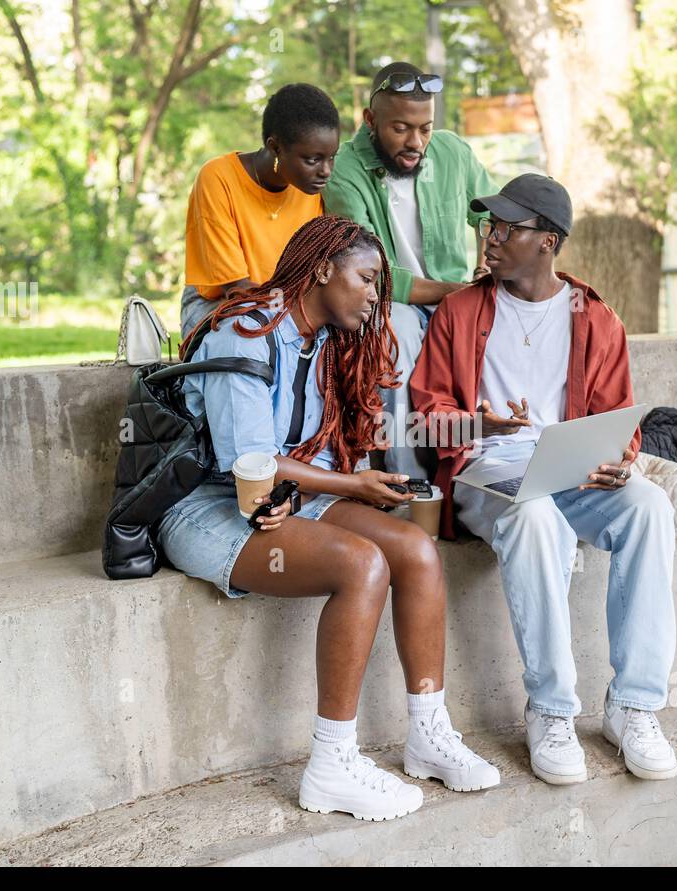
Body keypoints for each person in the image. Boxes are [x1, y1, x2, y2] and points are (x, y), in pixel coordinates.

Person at [161, 216, 500, 821]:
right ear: (321, 270)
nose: (376, 295)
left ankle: (428, 731)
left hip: (283, 499)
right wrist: (353, 484)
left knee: (416, 552)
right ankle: (331, 763)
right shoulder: (245, 331)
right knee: (362, 566)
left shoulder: (322, 338)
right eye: (368, 279)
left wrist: (380, 477)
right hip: (208, 508)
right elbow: (250, 466)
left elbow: (306, 459)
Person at [409, 175, 677, 787]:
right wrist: (480, 422)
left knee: (650, 507)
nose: (492, 239)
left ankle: (633, 705)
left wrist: (618, 457)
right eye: (489, 226)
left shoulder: (596, 319)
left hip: (573, 473)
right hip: (487, 473)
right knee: (533, 516)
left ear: (548, 242)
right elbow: (425, 424)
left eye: (508, 229)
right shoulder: (459, 312)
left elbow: (620, 420)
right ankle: (552, 710)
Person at [323, 61, 497, 480]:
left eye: (425, 128)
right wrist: (450, 292)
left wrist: (486, 260)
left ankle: (488, 465)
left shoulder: (452, 151)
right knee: (394, 340)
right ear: (370, 120)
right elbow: (367, 271)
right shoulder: (344, 170)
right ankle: (409, 481)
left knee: (493, 337)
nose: (415, 141)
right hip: (388, 299)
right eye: (400, 128)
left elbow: (490, 211)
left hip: (452, 292)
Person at [180, 83, 340, 341]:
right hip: (222, 307)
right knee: (253, 333)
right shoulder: (218, 179)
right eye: (313, 160)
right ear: (275, 147)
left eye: (332, 157)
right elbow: (237, 288)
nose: (326, 171)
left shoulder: (314, 188)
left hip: (289, 308)